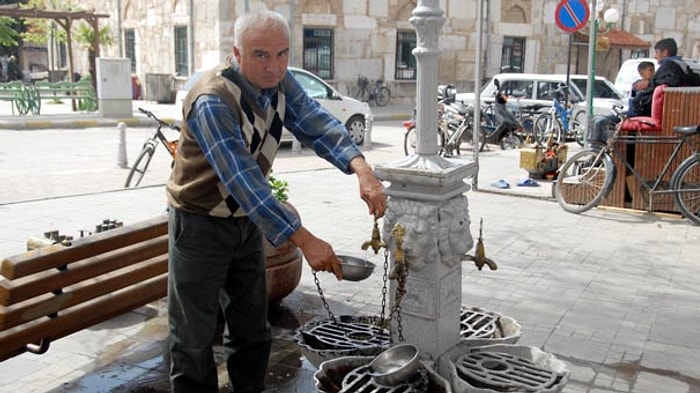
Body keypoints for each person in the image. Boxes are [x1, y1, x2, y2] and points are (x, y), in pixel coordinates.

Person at [165, 9, 387, 393]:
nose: (274, 66)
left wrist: (361, 168)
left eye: (282, 54)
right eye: (261, 55)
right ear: (237, 52)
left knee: (252, 328)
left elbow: (316, 122)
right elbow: (245, 182)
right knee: (193, 339)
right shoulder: (213, 99)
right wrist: (305, 239)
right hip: (199, 224)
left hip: (244, 225)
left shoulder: (280, 84)